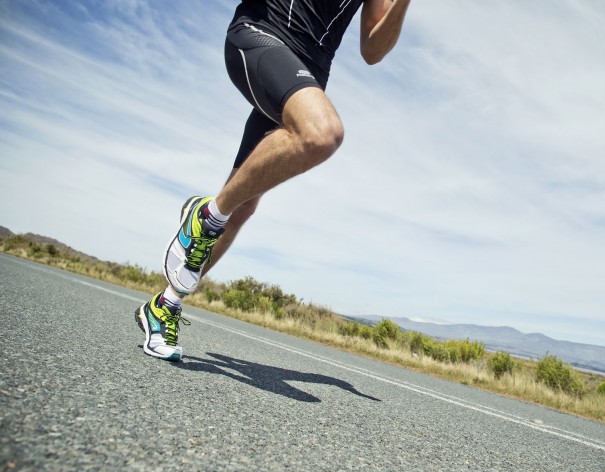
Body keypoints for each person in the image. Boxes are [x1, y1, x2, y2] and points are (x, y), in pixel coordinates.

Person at [134, 0, 412, 361]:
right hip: (262, 36)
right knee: (321, 133)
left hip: (308, 70)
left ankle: (164, 305)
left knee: (243, 204)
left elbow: (372, 50)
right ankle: (205, 216)